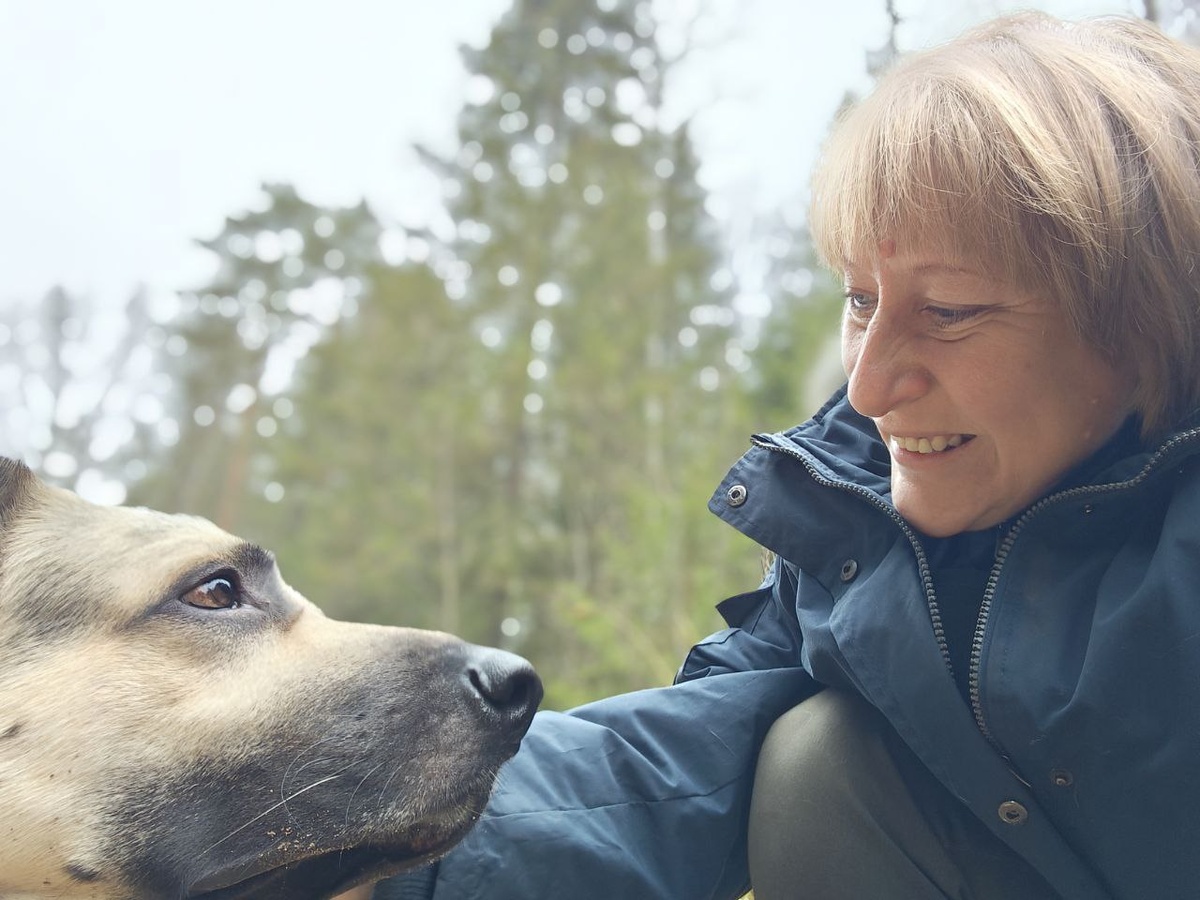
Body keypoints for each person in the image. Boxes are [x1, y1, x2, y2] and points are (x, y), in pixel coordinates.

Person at [377, 11, 1200, 899]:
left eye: (950, 311)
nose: (870, 388)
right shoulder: (854, 532)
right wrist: (379, 845)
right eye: (860, 299)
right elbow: (679, 765)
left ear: (1147, 322)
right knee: (813, 760)